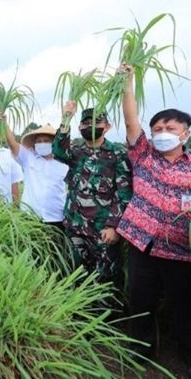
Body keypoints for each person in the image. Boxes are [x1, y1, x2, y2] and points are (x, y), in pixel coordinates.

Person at [115, 64, 191, 377]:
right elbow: (130, 119)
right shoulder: (143, 155)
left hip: (181, 249)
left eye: (170, 129)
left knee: (185, 305)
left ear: (186, 133)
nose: (162, 134)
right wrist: (127, 81)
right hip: (142, 244)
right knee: (140, 301)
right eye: (157, 129)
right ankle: (141, 350)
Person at [52, 102, 132, 284]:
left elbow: (124, 193)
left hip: (103, 231)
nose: (91, 127)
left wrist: (113, 226)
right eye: (86, 123)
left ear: (107, 126)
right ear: (80, 127)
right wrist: (66, 118)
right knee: (76, 274)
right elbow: (57, 151)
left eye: (96, 122)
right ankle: (78, 311)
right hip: (75, 227)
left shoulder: (118, 154)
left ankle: (106, 311)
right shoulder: (76, 152)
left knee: (105, 277)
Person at [1, 120, 68, 228]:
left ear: (54, 143)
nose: (42, 143)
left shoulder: (63, 163)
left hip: (56, 218)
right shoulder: (28, 158)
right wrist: (4, 123)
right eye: (39, 141)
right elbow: (12, 144)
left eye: (46, 141)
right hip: (30, 217)